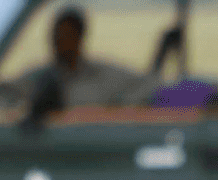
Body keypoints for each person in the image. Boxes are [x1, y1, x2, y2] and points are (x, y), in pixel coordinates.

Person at [18, 6, 149, 119]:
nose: (59, 44)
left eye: (66, 37)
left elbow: (146, 86)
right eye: (57, 38)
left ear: (79, 37)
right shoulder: (39, 78)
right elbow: (12, 91)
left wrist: (119, 110)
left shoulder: (103, 76)